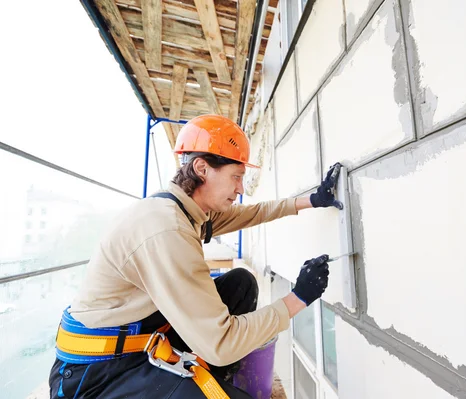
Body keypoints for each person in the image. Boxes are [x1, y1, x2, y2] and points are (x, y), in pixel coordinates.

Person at [48, 114, 344, 398]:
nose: (241, 189)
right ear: (202, 168)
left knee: (241, 283)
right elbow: (223, 342)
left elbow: (253, 213)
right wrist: (299, 297)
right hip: (97, 373)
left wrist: (311, 200)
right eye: (236, 177)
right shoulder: (168, 229)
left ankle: (208, 378)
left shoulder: (186, 211)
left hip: (145, 336)